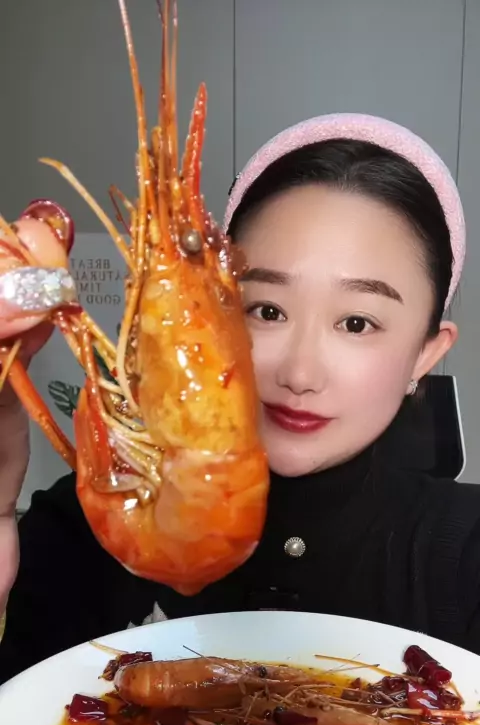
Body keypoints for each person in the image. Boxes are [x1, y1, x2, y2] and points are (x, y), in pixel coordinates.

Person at [1, 112, 480, 685]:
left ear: (426, 353)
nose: (300, 373)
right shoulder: (69, 531)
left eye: (357, 322)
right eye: (267, 310)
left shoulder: (466, 552)